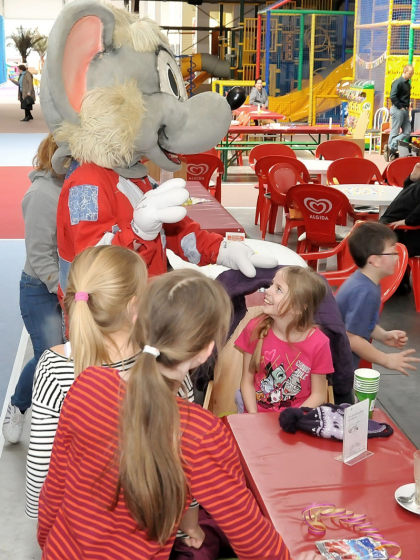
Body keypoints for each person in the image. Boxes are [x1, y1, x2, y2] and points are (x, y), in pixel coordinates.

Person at [38, 268, 321, 560]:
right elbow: (249, 535)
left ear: (136, 321)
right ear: (204, 352)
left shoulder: (88, 384)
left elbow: (54, 488)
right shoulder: (202, 434)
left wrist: (47, 544)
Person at [2, 135, 65, 444]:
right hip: (41, 289)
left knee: (67, 355)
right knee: (48, 355)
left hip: (68, 286)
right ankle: (18, 405)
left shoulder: (75, 187)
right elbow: (40, 255)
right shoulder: (41, 194)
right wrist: (63, 290)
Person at [235, 266, 334, 413]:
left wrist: (293, 418)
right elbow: (247, 382)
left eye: (278, 289)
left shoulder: (319, 343)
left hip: (296, 417)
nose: (268, 290)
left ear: (299, 308)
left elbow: (318, 395)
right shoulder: (255, 328)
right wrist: (253, 417)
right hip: (255, 412)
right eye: (271, 285)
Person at [336, 222, 420, 376]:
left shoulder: (363, 282)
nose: (397, 258)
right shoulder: (365, 292)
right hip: (336, 368)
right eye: (393, 253)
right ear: (374, 260)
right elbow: (353, 338)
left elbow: (358, 322)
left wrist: (383, 335)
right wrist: (386, 359)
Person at [380, 161, 420, 258]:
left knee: (365, 240)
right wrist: (412, 179)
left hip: (407, 235)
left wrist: (407, 222)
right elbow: (410, 195)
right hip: (393, 228)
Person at [384, 64, 414, 162]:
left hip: (404, 109)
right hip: (398, 109)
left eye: (412, 73)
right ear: (405, 72)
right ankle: (392, 152)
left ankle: (390, 148)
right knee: (395, 131)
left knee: (407, 131)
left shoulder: (407, 83)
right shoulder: (398, 82)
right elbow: (393, 96)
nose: (412, 75)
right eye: (410, 73)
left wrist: (407, 105)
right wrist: (400, 107)